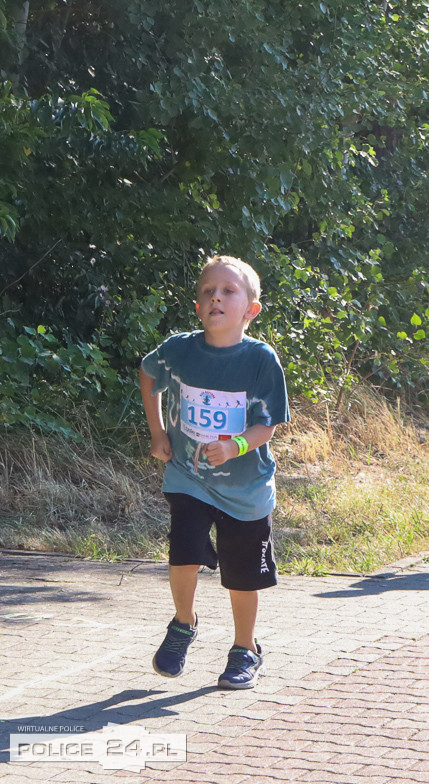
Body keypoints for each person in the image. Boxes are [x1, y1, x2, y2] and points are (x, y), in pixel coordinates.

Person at [140, 255, 289, 688]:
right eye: (208, 291)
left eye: (228, 291)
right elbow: (148, 375)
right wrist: (158, 431)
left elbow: (268, 425)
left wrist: (235, 445)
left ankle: (245, 649)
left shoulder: (260, 360)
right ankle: (183, 624)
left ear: (250, 310)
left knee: (241, 577)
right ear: (198, 306)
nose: (216, 297)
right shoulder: (180, 350)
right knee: (183, 548)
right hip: (189, 476)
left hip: (246, 490)